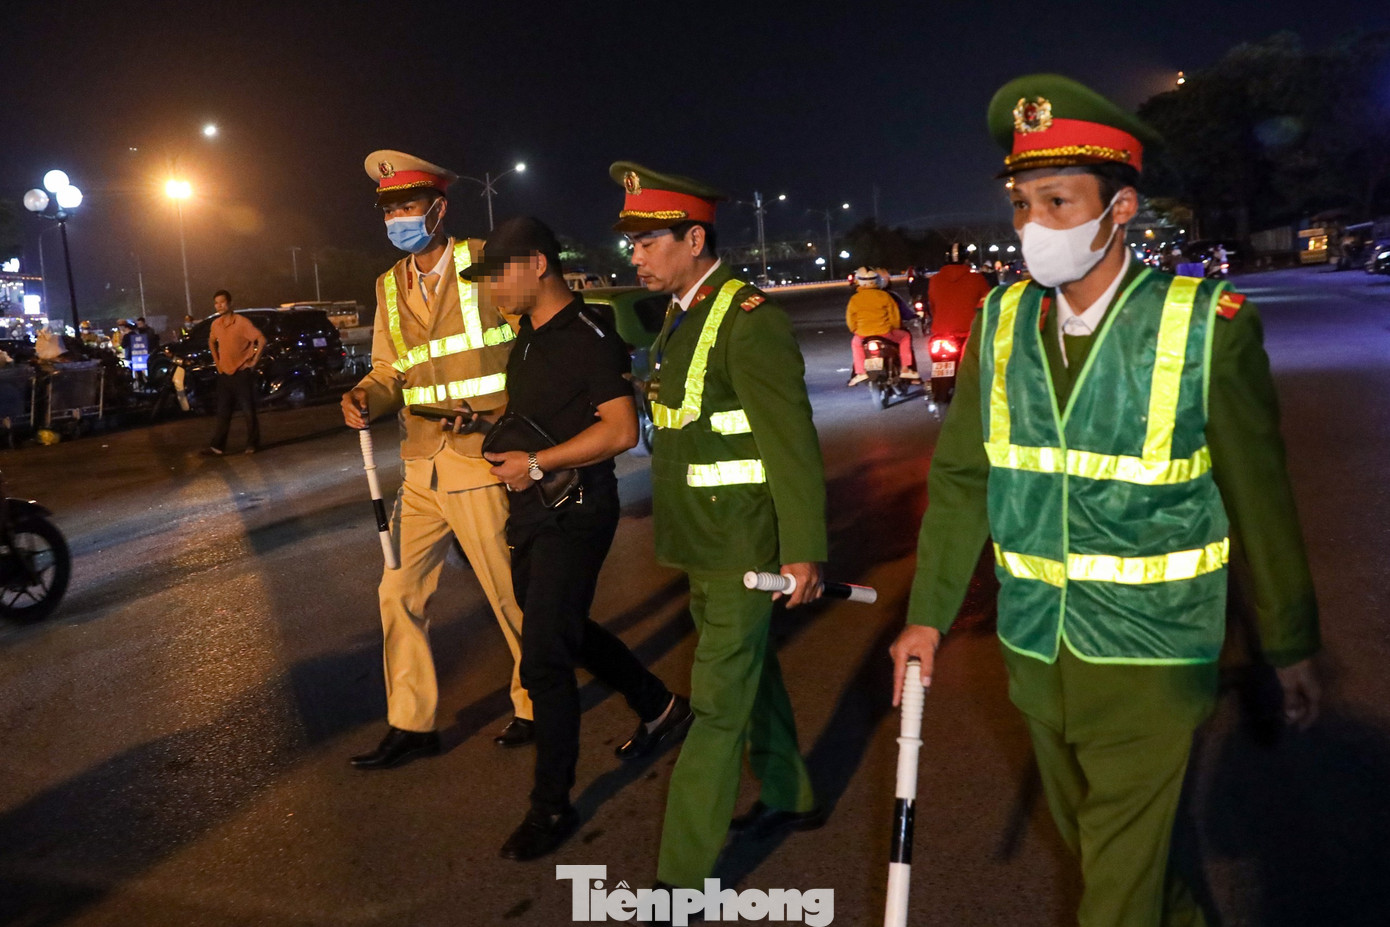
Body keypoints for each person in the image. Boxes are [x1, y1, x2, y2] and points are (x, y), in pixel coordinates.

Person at [890, 75, 1322, 927]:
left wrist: (1289, 639)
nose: (1032, 229)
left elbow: (1260, 500)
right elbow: (964, 480)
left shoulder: (1207, 325)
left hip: (1153, 660)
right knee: (1120, 867)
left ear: (1120, 208)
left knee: (1113, 900)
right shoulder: (1001, 323)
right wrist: (927, 616)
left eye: (1057, 203)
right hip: (1035, 654)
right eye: (1022, 205)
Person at [611, 161, 828, 893]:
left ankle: (677, 881)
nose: (634, 256)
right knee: (752, 672)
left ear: (694, 238)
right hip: (703, 544)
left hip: (742, 550)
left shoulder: (748, 321)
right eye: (630, 244)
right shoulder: (681, 314)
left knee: (713, 706)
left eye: (647, 242)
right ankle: (792, 792)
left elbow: (791, 446)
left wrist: (802, 551)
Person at [460, 216, 693, 861]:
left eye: (497, 275)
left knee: (543, 658)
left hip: (577, 508)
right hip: (533, 510)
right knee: (560, 626)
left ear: (537, 264)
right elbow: (543, 411)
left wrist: (536, 464)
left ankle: (551, 806)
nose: (491, 290)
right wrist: (489, 423)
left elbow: (621, 431)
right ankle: (658, 705)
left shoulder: (591, 335)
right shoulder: (526, 337)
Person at [341, 150, 532, 770]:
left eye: (408, 206)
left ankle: (536, 702)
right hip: (420, 465)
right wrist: (363, 397)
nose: (398, 218)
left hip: (480, 459)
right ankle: (412, 722)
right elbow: (387, 370)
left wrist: (507, 419)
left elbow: (531, 348)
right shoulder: (387, 285)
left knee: (508, 594)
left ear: (438, 209)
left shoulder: (487, 264)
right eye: (390, 209)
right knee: (397, 592)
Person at [202, 291, 264, 456]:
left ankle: (252, 443)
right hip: (224, 374)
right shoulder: (216, 324)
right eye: (216, 303)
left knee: (248, 410)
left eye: (222, 302)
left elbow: (261, 339)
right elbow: (211, 341)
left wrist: (253, 362)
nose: (219, 305)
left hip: (242, 373)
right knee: (223, 411)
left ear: (230, 303)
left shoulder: (242, 322)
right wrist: (217, 363)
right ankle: (217, 447)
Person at [845, 266, 917, 385]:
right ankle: (905, 368)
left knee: (855, 344)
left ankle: (860, 372)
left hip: (863, 334)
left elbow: (851, 320)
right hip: (885, 332)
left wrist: (855, 330)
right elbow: (895, 317)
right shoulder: (885, 296)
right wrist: (895, 327)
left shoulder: (854, 299)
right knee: (905, 337)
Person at [926, 255, 992, 340]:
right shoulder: (977, 279)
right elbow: (987, 303)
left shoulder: (934, 280)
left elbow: (933, 306)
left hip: (941, 332)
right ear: (966, 261)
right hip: (970, 332)